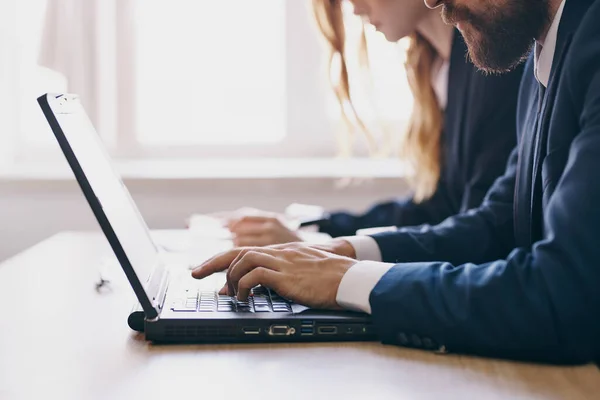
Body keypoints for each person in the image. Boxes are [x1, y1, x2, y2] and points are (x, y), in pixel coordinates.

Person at [193, 0, 600, 364]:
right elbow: (493, 225)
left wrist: (345, 280)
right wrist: (340, 253)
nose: (432, 1)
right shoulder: (542, 52)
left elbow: (561, 295)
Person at [218, 0, 523, 247]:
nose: (356, 8)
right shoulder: (438, 66)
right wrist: (317, 228)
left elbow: (478, 230)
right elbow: (437, 207)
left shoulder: (492, 63)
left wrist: (322, 247)